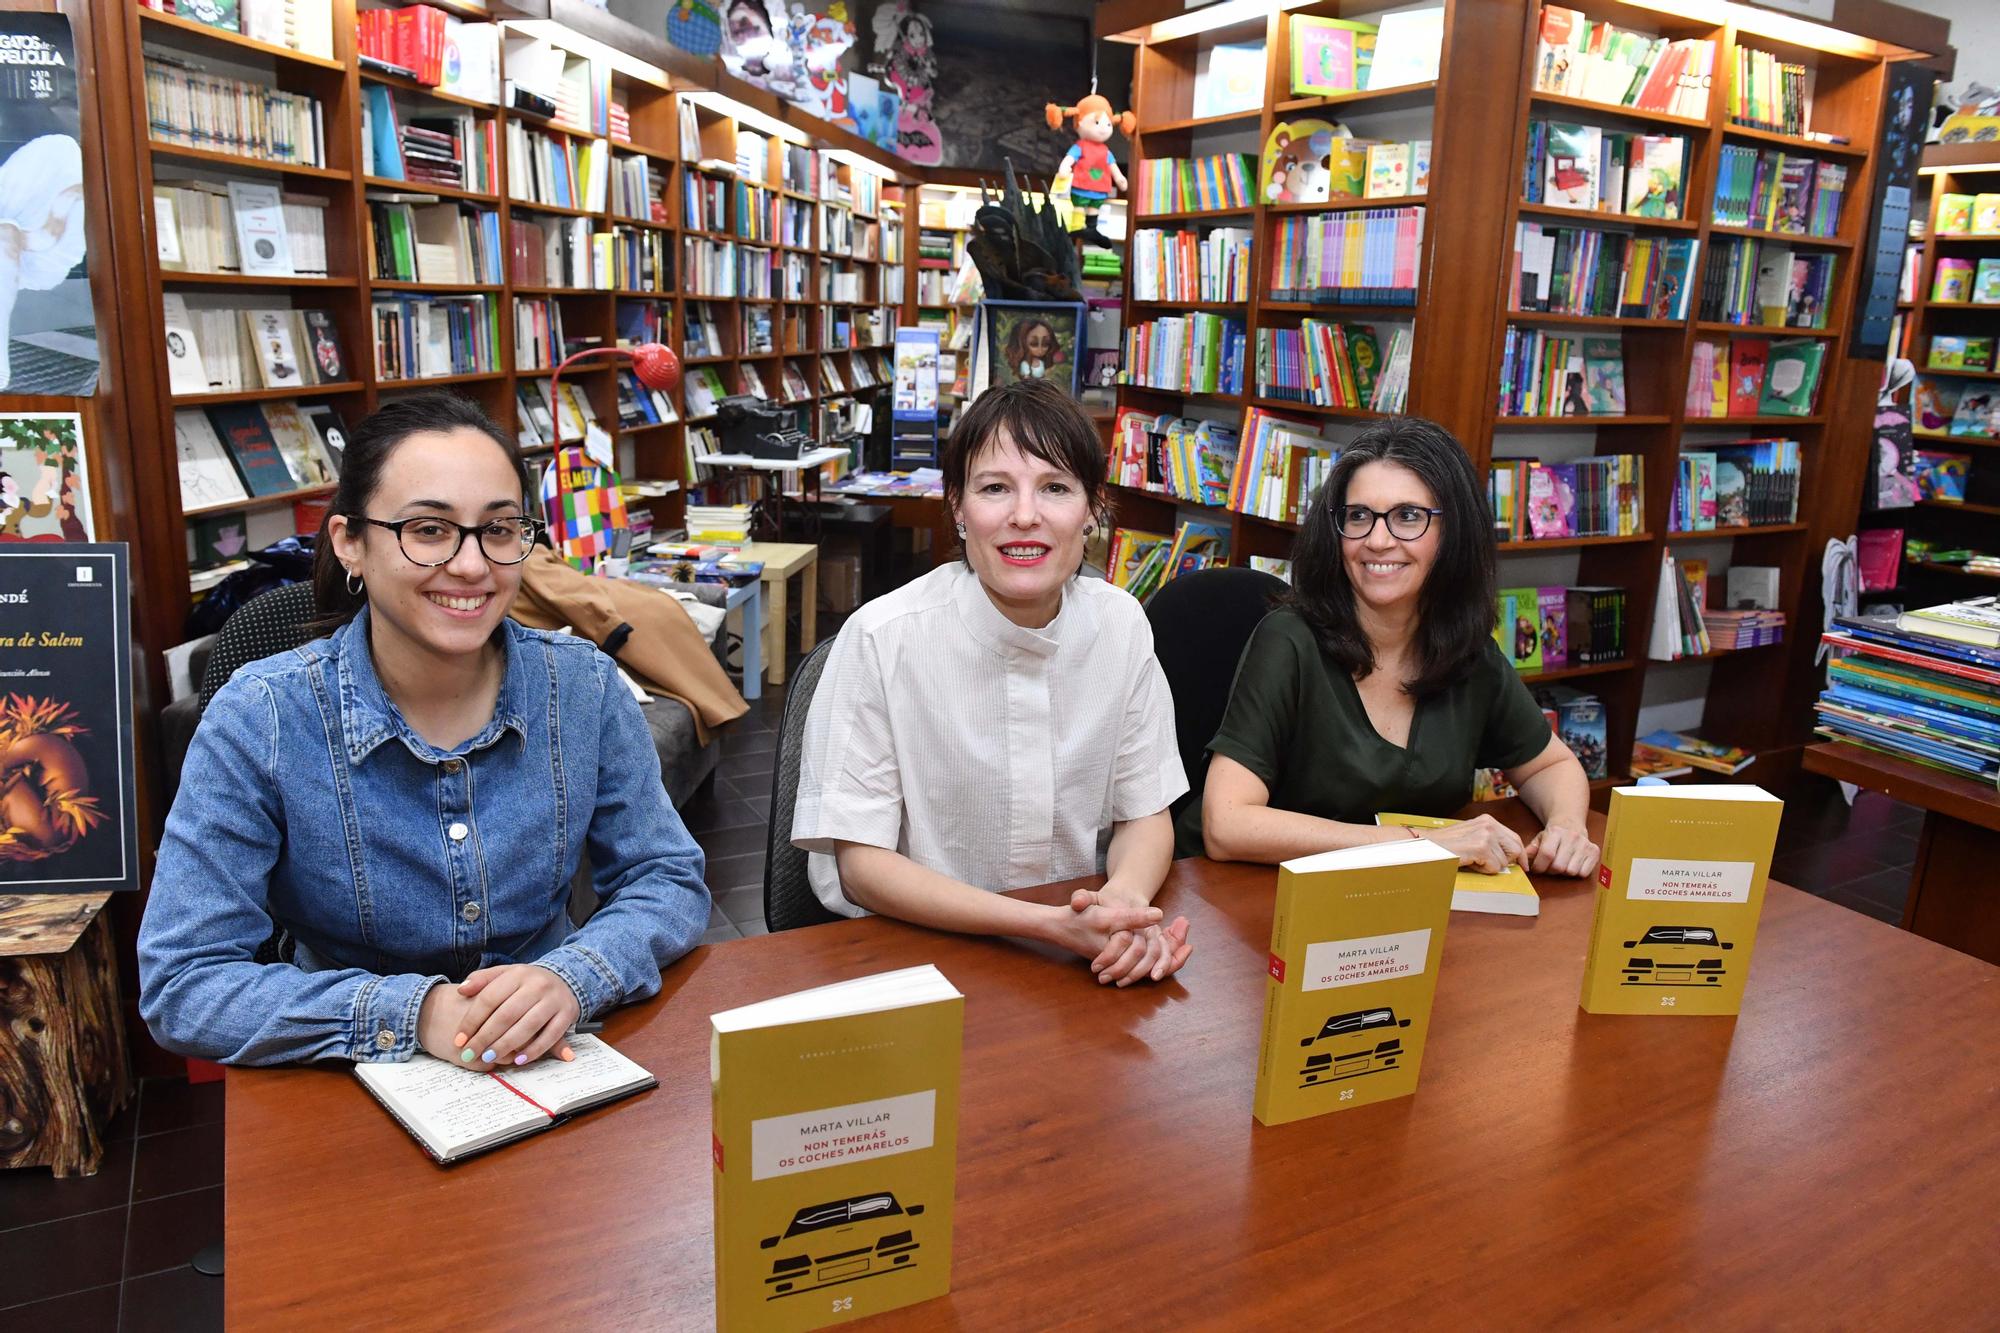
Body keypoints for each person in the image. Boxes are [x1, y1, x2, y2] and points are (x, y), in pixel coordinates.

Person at [139, 394, 709, 1068]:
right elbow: (184, 981)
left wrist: (574, 974)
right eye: (430, 529)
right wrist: (417, 1013)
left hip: (556, 1057)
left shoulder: (582, 687)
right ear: (351, 542)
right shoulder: (260, 718)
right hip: (344, 1075)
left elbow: (666, 877)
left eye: (499, 529)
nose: (472, 565)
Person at [793, 378, 1192, 985]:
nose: (1025, 516)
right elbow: (862, 866)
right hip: (917, 956)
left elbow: (1145, 810)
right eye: (994, 488)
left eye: (1055, 488)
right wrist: (1049, 925)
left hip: (1083, 959)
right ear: (956, 507)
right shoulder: (881, 638)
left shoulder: (1122, 625)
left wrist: (1125, 905)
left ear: (1092, 509)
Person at [1180, 416, 1601, 880]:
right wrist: (1422, 846)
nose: (1378, 541)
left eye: (1407, 516)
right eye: (1358, 516)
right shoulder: (1288, 640)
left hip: (1388, 901)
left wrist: (1567, 826)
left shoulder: (1468, 651)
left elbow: (1550, 765)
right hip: (1244, 899)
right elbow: (1226, 824)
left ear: (1453, 532)